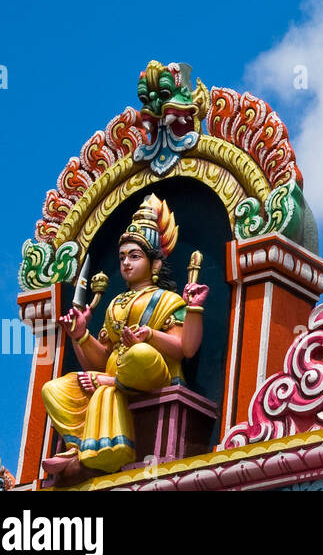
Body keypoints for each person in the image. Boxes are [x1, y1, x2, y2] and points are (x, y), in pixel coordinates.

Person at [40, 194, 209, 478]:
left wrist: (155, 333)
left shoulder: (167, 300)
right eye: (122, 257)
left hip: (152, 372)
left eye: (134, 256)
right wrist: (80, 336)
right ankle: (77, 445)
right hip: (118, 372)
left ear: (154, 265)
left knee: (138, 355)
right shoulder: (115, 304)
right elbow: (99, 362)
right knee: (54, 389)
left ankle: (109, 402)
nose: (126, 264)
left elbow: (185, 349)